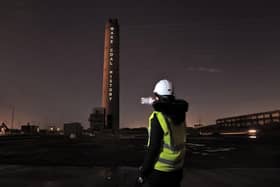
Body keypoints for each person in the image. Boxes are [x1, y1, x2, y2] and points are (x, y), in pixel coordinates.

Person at [138, 79, 189, 187]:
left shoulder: (158, 117)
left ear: (158, 96)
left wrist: (144, 171)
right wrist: (152, 101)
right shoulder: (180, 115)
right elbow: (167, 105)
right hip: (177, 169)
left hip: (160, 172)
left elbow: (153, 148)